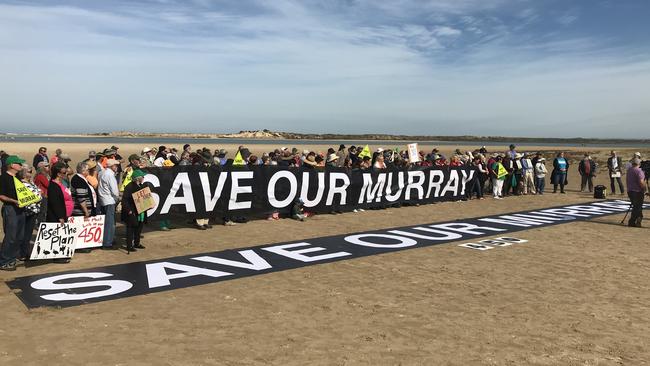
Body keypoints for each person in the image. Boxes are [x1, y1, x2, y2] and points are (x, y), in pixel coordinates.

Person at [0, 156, 28, 270]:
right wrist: (14, 201)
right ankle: (4, 261)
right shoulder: (3, 178)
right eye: (19, 164)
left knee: (19, 236)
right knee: (11, 236)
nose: (21, 166)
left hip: (20, 209)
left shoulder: (17, 178)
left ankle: (12, 258)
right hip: (10, 209)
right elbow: (1, 195)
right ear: (12, 165)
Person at [16, 166, 42, 261]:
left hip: (34, 211)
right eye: (29, 172)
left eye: (31, 172)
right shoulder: (22, 184)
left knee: (28, 233)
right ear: (23, 173)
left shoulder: (30, 182)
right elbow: (36, 196)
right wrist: (38, 194)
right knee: (25, 234)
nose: (31, 173)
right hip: (28, 211)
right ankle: (22, 253)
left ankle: (25, 251)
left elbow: (38, 193)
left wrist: (38, 194)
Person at [121, 170, 148, 252]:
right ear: (137, 178)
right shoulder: (129, 187)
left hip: (141, 211)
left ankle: (137, 243)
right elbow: (124, 200)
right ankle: (129, 246)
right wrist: (129, 210)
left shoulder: (142, 186)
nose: (143, 178)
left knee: (139, 228)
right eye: (142, 177)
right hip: (132, 211)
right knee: (130, 229)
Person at [98, 159, 121, 249]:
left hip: (103, 199)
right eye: (116, 165)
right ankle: (107, 243)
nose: (117, 167)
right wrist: (118, 198)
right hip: (109, 200)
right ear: (112, 166)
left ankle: (106, 240)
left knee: (105, 222)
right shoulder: (110, 175)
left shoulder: (102, 172)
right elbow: (115, 191)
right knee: (109, 223)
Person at [625, 158, 646, 227]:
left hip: (630, 191)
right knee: (637, 207)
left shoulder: (629, 170)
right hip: (637, 191)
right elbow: (641, 182)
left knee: (637, 206)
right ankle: (632, 221)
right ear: (639, 164)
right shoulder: (639, 171)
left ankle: (638, 221)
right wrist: (645, 188)